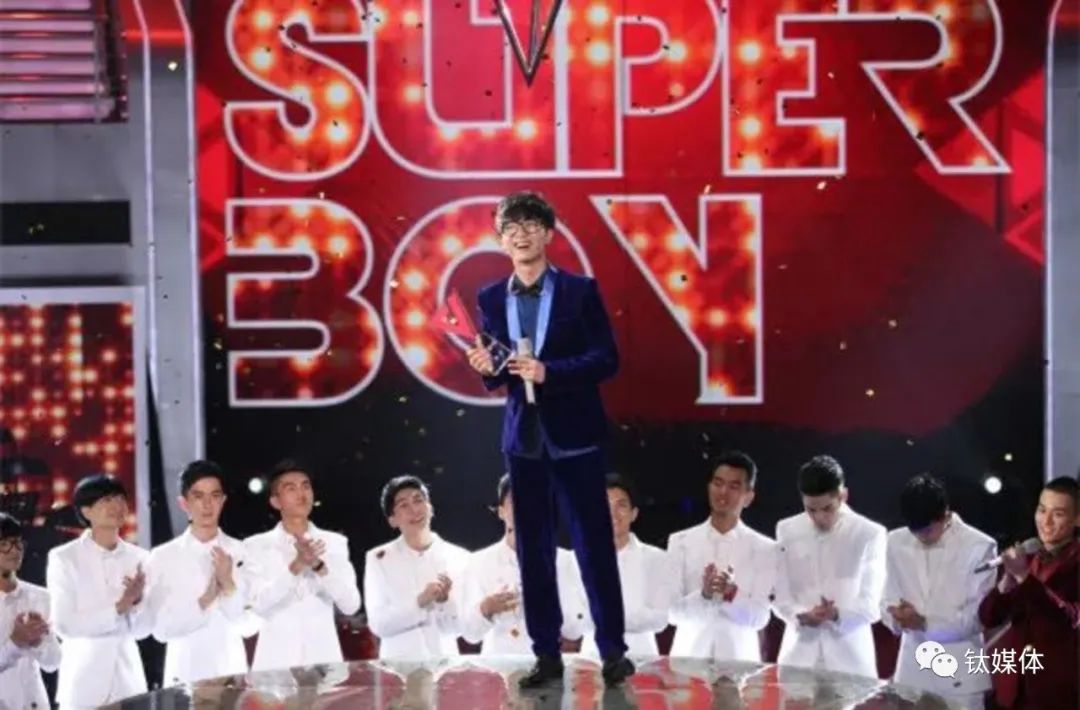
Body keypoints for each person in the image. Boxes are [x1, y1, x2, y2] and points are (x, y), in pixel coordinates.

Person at [465, 191, 633, 687]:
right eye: (511, 228)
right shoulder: (490, 297)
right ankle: (546, 654)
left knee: (594, 546)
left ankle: (612, 651)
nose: (521, 235)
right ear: (501, 240)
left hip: (576, 435)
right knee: (533, 551)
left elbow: (606, 358)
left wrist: (549, 371)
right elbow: (500, 369)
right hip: (524, 440)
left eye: (531, 225)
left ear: (549, 233)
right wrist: (486, 369)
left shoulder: (580, 291)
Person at [882, 474, 996, 708]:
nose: (920, 537)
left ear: (945, 514)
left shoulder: (979, 546)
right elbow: (885, 598)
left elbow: (978, 618)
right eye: (914, 530)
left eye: (927, 530)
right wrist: (896, 617)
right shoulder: (894, 542)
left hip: (961, 676)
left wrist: (924, 623)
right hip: (912, 675)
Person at [774, 455, 886, 678]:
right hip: (798, 659)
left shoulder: (869, 534)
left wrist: (836, 615)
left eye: (827, 508)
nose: (819, 517)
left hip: (850, 662)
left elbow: (872, 605)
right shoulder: (786, 529)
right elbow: (779, 595)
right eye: (811, 510)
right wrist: (799, 616)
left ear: (843, 496)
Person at [243, 460, 360, 671]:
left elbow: (351, 605)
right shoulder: (255, 546)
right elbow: (257, 604)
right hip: (275, 665)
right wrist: (295, 567)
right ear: (276, 501)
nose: (301, 493)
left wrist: (319, 567)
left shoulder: (334, 543)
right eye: (291, 488)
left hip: (323, 663)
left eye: (306, 486)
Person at [47, 473, 151, 708]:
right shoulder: (65, 558)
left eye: (120, 499)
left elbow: (144, 631)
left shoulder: (141, 558)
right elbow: (65, 625)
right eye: (107, 500)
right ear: (86, 511)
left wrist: (137, 604)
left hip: (128, 681)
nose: (117, 506)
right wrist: (120, 607)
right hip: (83, 681)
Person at [978, 476, 1079, 708]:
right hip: (1015, 691)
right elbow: (989, 617)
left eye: (1058, 514)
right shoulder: (1030, 557)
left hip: (1058, 694)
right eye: (1042, 510)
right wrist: (1006, 583)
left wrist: (1024, 577)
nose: (1046, 521)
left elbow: (1067, 619)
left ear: (1077, 519)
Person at [147, 460, 249, 685]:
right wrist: (206, 599)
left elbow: (249, 626)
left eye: (214, 496)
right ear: (183, 503)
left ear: (223, 501)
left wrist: (229, 586)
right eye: (198, 496)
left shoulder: (242, 551)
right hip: (185, 674)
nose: (207, 505)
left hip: (231, 674)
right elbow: (161, 630)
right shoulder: (162, 557)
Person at [667, 451, 776, 661]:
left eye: (734, 486)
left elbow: (760, 618)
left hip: (738, 663)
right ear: (709, 487)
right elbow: (671, 613)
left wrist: (732, 594)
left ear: (748, 497)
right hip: (689, 660)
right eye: (718, 483)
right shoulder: (680, 542)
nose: (723, 492)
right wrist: (704, 595)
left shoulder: (765, 548)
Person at [461, 474, 587, 655]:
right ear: (501, 511)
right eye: (515, 500)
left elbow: (575, 631)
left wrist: (554, 596)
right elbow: (470, 635)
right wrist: (486, 608)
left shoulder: (564, 560)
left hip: (547, 662)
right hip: (499, 664)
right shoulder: (479, 562)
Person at [363, 475, 470, 659]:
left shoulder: (459, 556)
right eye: (404, 505)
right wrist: (419, 602)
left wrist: (445, 603)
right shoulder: (378, 559)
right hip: (398, 667)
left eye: (418, 500)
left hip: (444, 664)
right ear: (392, 520)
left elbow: (462, 628)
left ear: (430, 508)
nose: (414, 509)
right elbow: (378, 624)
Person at [580, 473, 675, 657]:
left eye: (621, 505)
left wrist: (607, 618)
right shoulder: (580, 559)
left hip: (642, 658)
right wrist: (633, 616)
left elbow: (661, 618)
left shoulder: (657, 559)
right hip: (592, 658)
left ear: (634, 513)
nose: (613, 514)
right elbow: (576, 620)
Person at [0, 512, 60, 710]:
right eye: (4, 544)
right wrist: (15, 642)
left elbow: (53, 663)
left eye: (17, 543)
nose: (14, 551)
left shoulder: (40, 596)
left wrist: (38, 642)